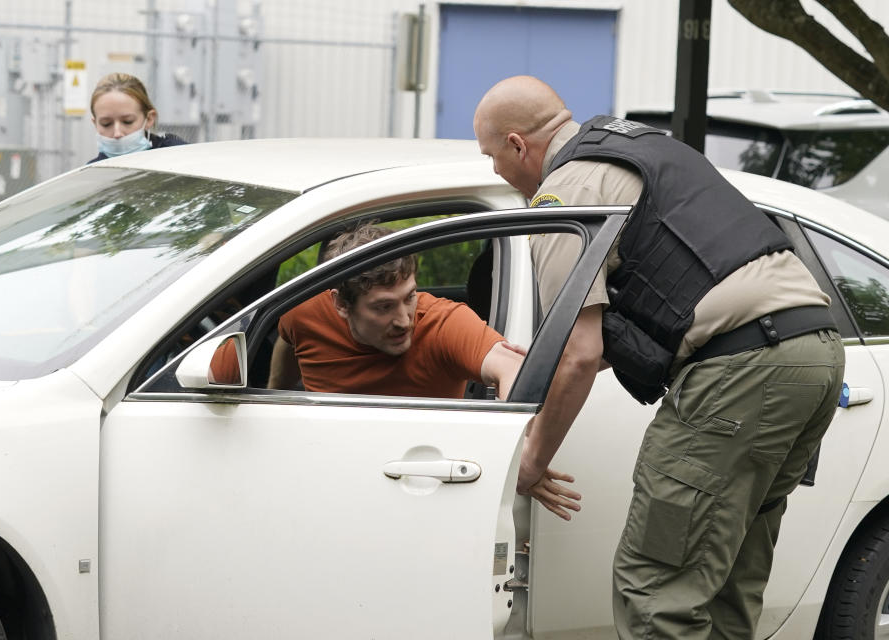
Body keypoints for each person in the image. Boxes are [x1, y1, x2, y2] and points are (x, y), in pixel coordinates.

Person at [473, 75, 845, 639]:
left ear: (518, 144)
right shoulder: (646, 148)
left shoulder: (563, 195)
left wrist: (530, 459)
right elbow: (669, 294)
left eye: (492, 157)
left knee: (657, 590)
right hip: (814, 355)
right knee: (725, 588)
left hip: (739, 372)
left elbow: (579, 352)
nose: (496, 171)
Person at [268, 223, 581, 518]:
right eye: (383, 306)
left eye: (409, 297)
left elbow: (513, 368)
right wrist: (273, 393)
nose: (404, 320)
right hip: (325, 487)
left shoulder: (442, 321)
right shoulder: (303, 313)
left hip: (421, 489)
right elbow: (286, 338)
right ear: (341, 304)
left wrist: (519, 459)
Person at [87, 73, 187, 163]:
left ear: (149, 119)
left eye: (127, 121)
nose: (117, 133)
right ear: (95, 124)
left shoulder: (179, 157)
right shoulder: (91, 174)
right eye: (106, 123)